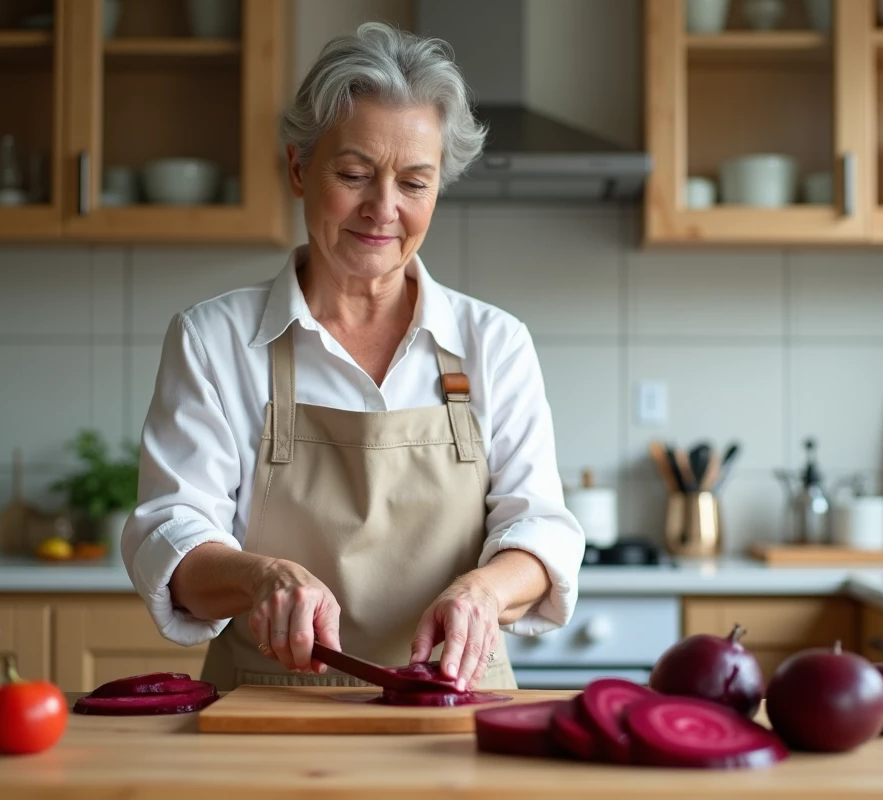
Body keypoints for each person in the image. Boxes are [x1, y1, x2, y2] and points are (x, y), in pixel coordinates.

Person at [121, 22, 585, 693]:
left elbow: (540, 527)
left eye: (415, 183)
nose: (383, 209)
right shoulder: (213, 339)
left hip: (454, 706)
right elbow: (170, 534)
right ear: (299, 168)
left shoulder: (495, 343)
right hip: (266, 708)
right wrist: (263, 577)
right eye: (355, 174)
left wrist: (483, 592)